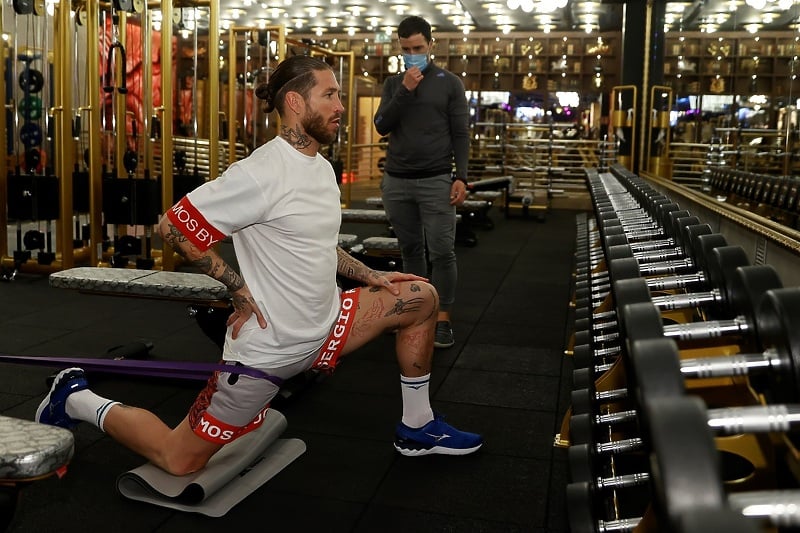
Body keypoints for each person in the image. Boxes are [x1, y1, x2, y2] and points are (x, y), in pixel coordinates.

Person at [35, 55, 482, 476]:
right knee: (179, 459)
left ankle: (417, 428)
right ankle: (74, 398)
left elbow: (318, 245)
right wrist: (236, 287)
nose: (341, 106)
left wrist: (372, 276)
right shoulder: (261, 172)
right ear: (295, 102)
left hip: (327, 330)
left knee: (420, 296)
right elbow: (172, 227)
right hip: (268, 354)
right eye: (329, 95)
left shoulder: (320, 167)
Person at [373, 15, 470, 349]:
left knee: (442, 251)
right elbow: (381, 125)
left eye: (417, 47)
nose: (412, 54)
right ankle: (418, 313)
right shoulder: (393, 84)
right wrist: (404, 90)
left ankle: (442, 318)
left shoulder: (449, 83)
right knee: (410, 250)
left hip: (436, 179)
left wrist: (461, 176)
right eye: (406, 49)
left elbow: (460, 133)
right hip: (397, 181)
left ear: (431, 44)